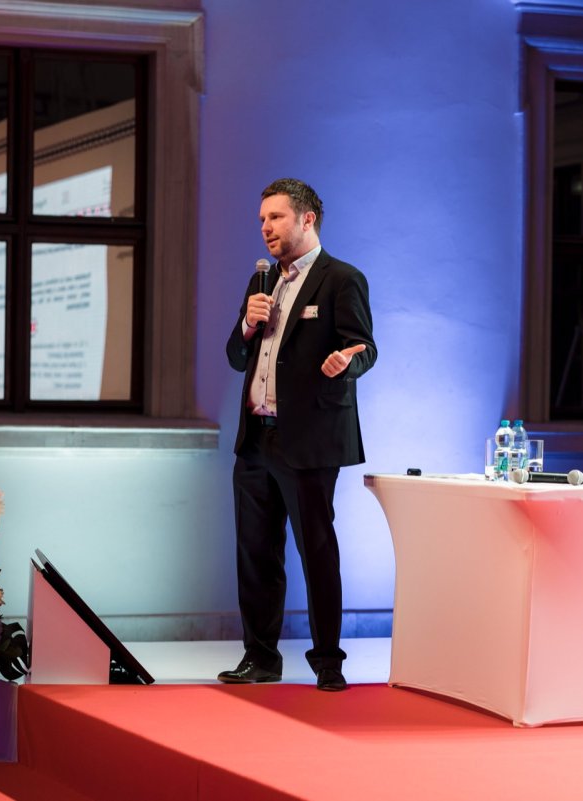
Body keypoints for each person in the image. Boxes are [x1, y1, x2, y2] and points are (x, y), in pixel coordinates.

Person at [221, 178, 377, 692]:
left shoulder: (341, 279)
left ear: (306, 219)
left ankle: (328, 662)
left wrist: (345, 363)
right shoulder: (261, 281)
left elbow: (364, 349)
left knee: (316, 551)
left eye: (276, 218)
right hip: (256, 439)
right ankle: (260, 658)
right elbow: (235, 356)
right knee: (256, 554)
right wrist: (247, 324)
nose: (265, 228)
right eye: (262, 219)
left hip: (308, 439)